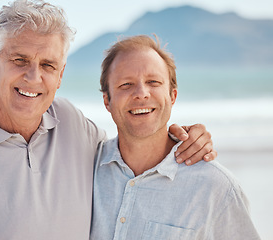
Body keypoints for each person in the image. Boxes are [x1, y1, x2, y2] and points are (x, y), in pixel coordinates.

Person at [0, 1, 215, 239]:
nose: (33, 77)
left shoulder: (75, 128)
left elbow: (132, 147)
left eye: (47, 65)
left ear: (60, 75)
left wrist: (182, 137)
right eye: (20, 60)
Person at [90, 35, 260, 239]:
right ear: (107, 101)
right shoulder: (85, 169)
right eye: (126, 84)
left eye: (153, 82)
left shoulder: (215, 187)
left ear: (172, 96)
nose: (142, 93)